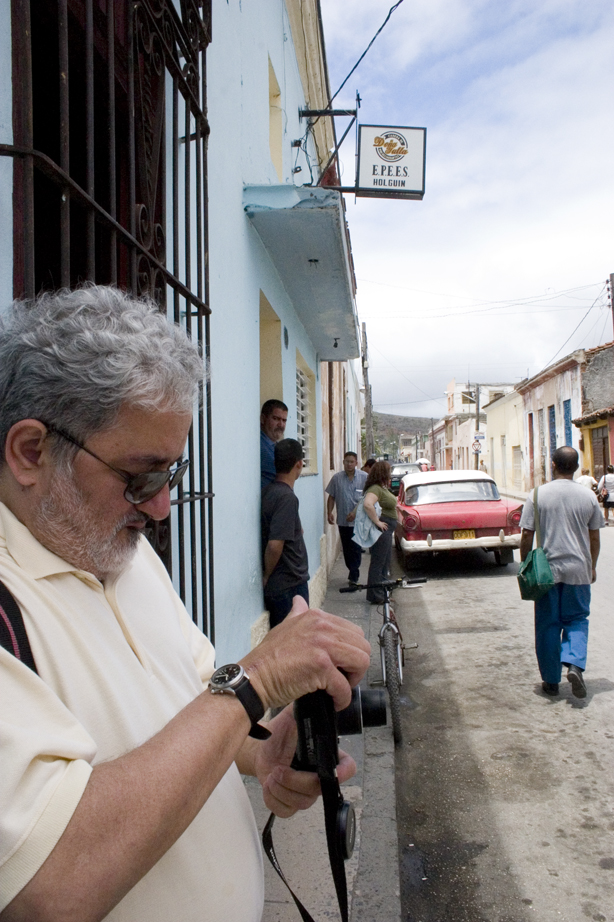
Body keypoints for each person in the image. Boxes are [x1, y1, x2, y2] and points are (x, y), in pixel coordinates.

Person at [0, 286, 371, 922]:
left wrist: (267, 754)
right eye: (140, 478)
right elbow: (49, 884)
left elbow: (201, 699)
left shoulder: (123, 550)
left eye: (171, 474)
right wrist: (260, 678)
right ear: (32, 451)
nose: (163, 507)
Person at [519, 446, 603, 699]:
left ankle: (551, 681)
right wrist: (592, 566)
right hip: (578, 571)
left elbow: (526, 535)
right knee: (577, 619)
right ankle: (575, 664)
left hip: (547, 572)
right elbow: (595, 537)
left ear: (553, 465)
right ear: (576, 467)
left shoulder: (537, 495)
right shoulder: (588, 496)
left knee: (547, 624)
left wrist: (526, 565)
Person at [261, 439, 309, 627]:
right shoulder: (286, 497)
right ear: (299, 464)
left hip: (285, 585)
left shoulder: (268, 492)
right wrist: (266, 575)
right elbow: (275, 544)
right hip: (289, 585)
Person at [326, 451, 367, 586]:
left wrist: (357, 513)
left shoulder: (364, 478)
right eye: (346, 461)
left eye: (351, 462)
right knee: (347, 549)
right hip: (343, 521)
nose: (349, 464)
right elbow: (331, 496)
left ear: (356, 463)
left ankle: (354, 576)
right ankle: (352, 569)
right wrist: (329, 512)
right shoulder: (336, 478)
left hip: (358, 521)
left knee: (355, 548)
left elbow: (368, 497)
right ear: (343, 462)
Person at [362, 461, 397, 604]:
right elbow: (367, 504)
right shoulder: (375, 489)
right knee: (379, 562)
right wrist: (377, 521)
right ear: (383, 473)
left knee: (384, 562)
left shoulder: (381, 488)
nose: (390, 474)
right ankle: (375, 595)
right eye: (388, 471)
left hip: (386, 531)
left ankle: (382, 593)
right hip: (381, 531)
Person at [260, 399, 288, 489]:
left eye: (284, 420)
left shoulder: (277, 447)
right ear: (263, 419)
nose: (281, 425)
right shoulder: (258, 445)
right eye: (276, 419)